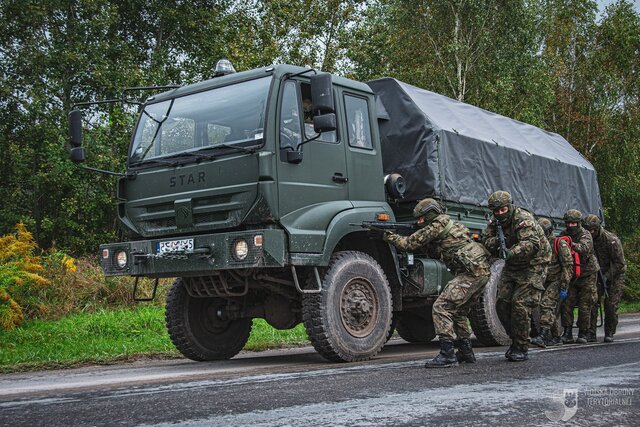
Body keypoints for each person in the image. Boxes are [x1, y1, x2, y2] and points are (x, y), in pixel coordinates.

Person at [383, 198, 491, 368]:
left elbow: (408, 244)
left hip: (471, 274)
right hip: (479, 272)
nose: (419, 222)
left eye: (421, 218)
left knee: (441, 307)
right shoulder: (446, 223)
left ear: (430, 214)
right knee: (460, 311)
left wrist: (390, 237)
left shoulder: (437, 225)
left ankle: (447, 354)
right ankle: (465, 352)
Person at [482, 191, 551, 361]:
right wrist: (499, 241)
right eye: (496, 211)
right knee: (502, 304)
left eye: (503, 210)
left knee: (520, 305)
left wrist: (510, 251)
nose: (500, 214)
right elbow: (486, 240)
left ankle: (521, 346)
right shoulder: (495, 221)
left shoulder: (523, 218)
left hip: (533, 264)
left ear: (510, 206)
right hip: (512, 264)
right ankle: (517, 338)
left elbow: (531, 244)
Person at [583, 214, 626, 343]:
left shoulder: (611, 239)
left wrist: (607, 276)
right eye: (588, 229)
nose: (591, 232)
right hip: (596, 272)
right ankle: (591, 333)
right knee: (592, 301)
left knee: (611, 304)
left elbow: (619, 263)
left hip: (615, 274)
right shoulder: (586, 239)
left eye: (593, 229)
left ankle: (609, 331)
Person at [530, 218, 573, 347]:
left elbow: (568, 266)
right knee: (551, 309)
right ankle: (555, 336)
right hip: (544, 280)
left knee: (546, 305)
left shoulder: (559, 243)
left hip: (557, 280)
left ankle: (543, 335)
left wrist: (564, 286)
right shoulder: (538, 244)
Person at [559, 209, 599, 344]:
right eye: (568, 223)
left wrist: (568, 244)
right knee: (567, 303)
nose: (570, 226)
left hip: (587, 274)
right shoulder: (563, 234)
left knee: (585, 304)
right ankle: (567, 332)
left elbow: (584, 248)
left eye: (573, 223)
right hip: (572, 275)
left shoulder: (585, 234)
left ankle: (583, 332)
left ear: (578, 223)